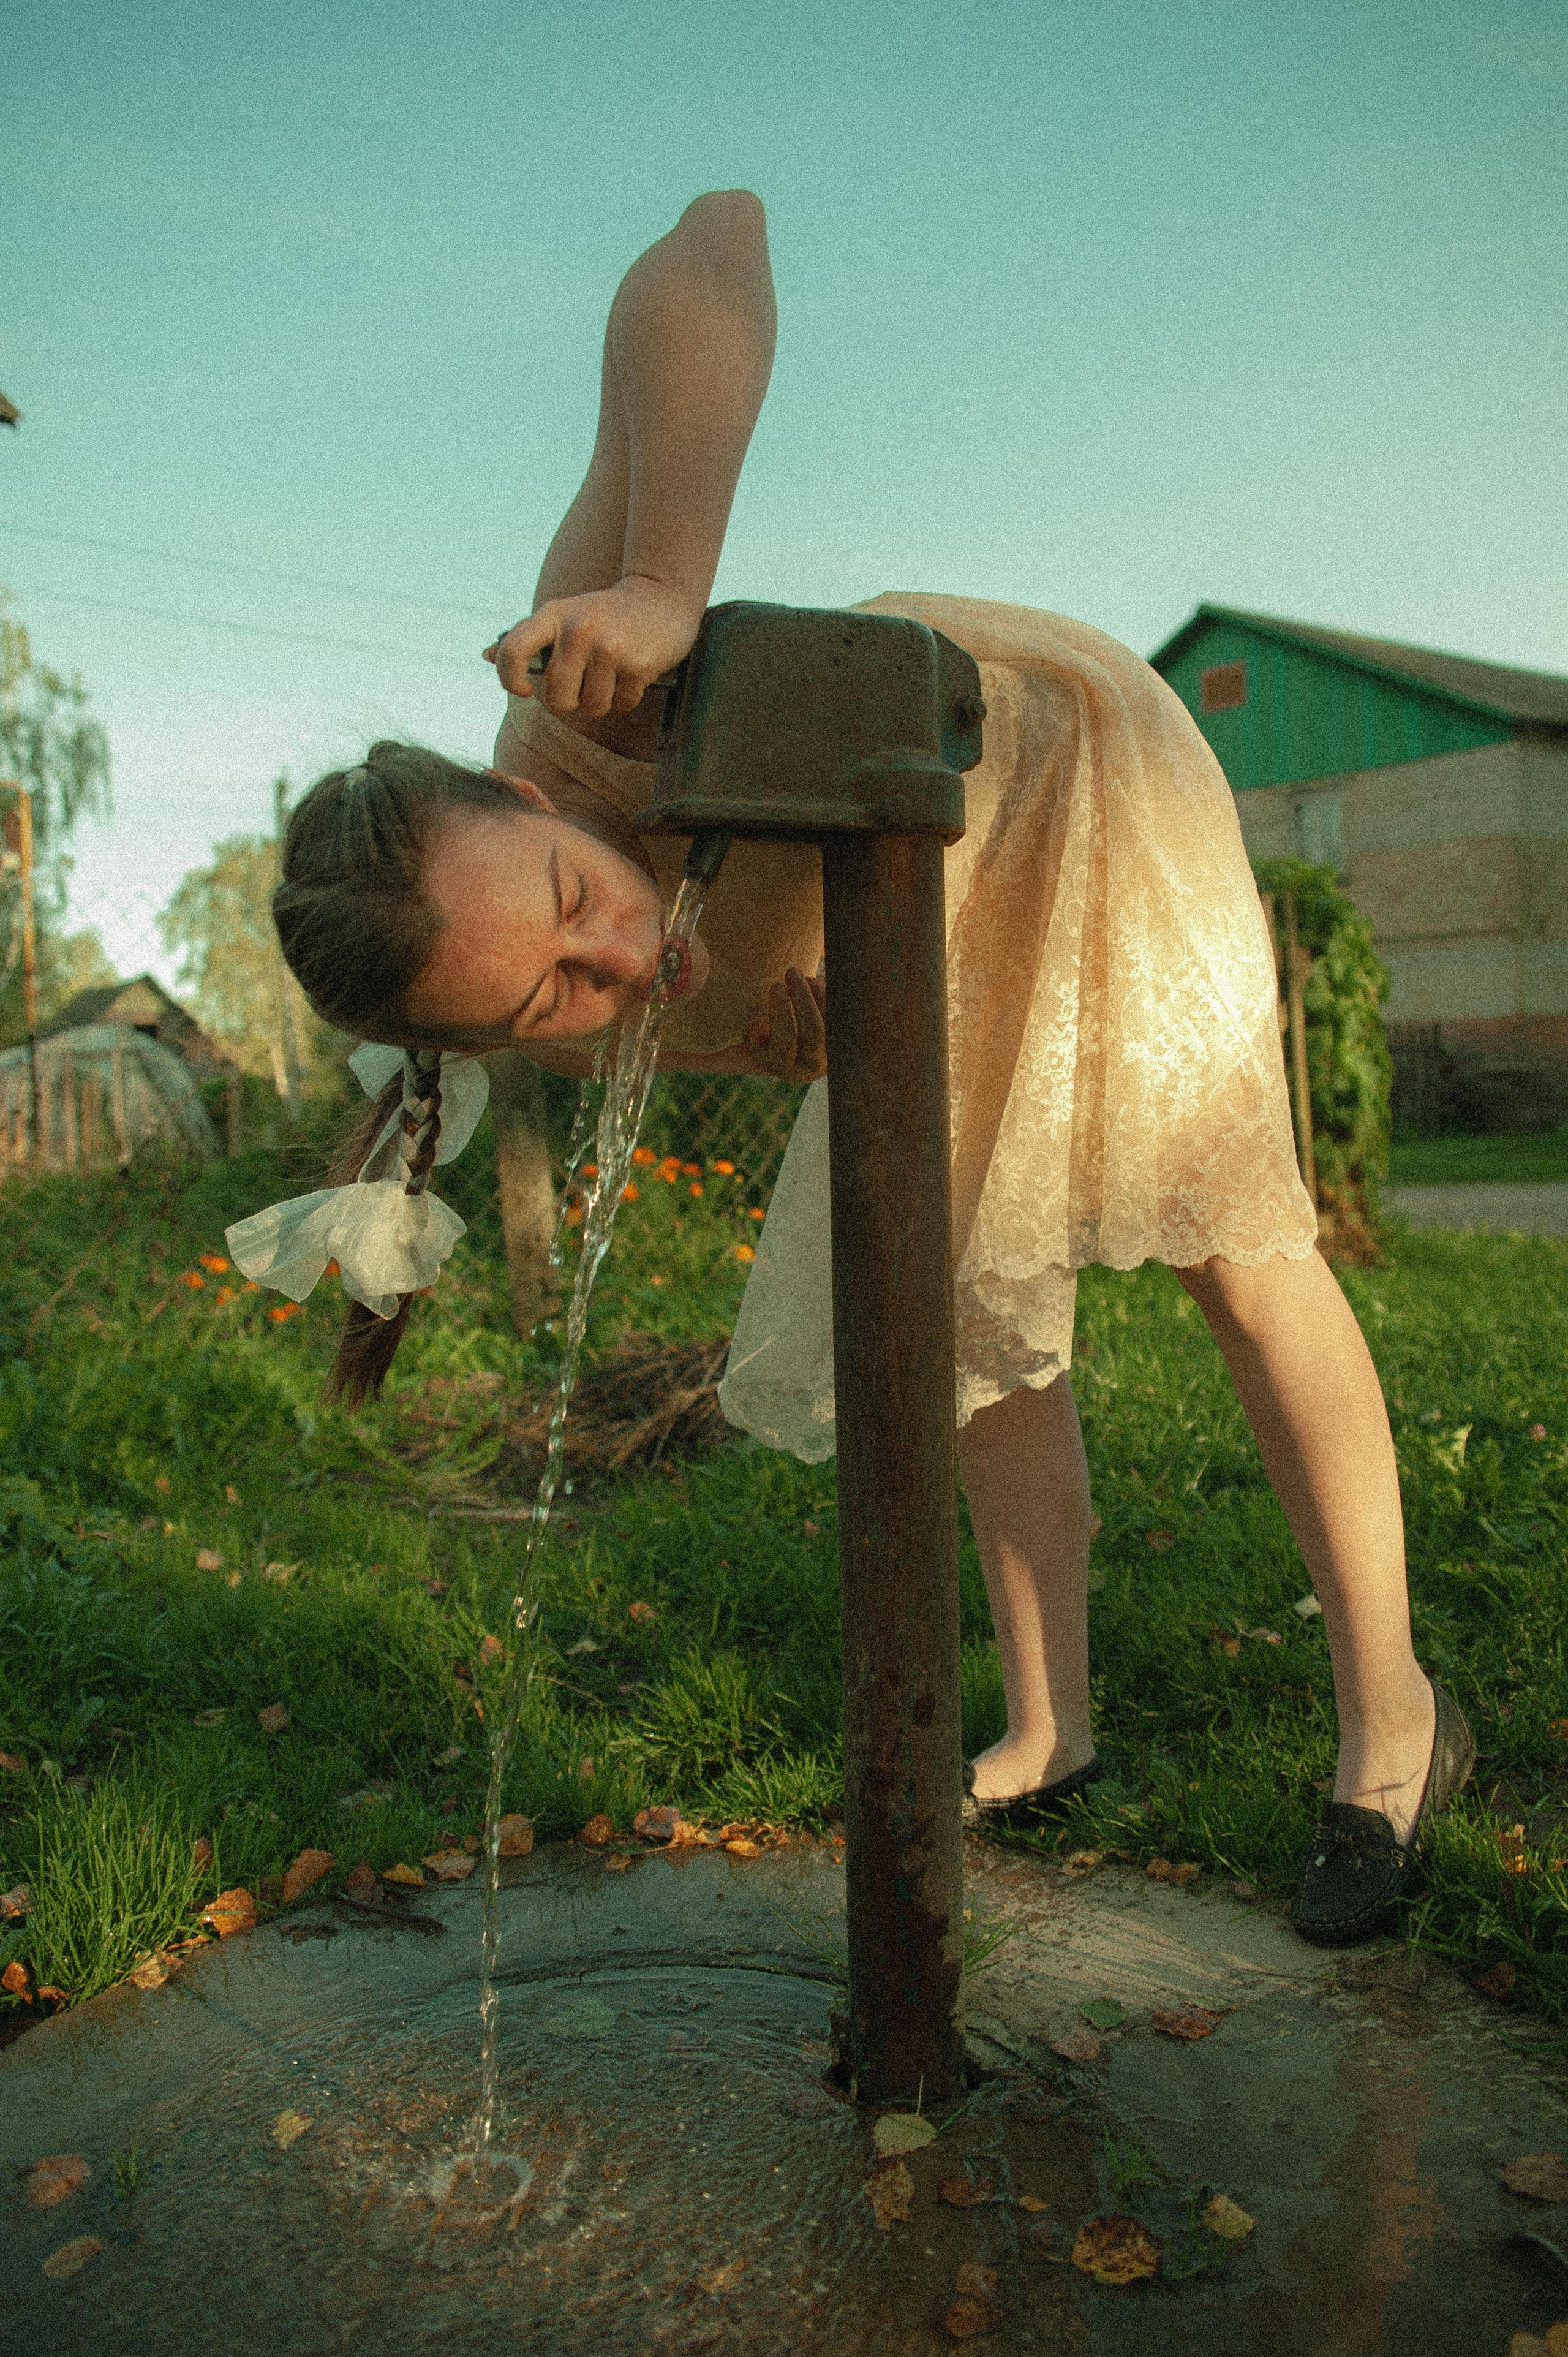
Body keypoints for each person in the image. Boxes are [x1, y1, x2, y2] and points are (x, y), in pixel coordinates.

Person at [255, 190, 1473, 1948]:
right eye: (555, 1007)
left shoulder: (578, 689)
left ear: (526, 802)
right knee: (964, 1292)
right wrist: (813, 1008)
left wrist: (664, 578)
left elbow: (711, 236)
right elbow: (770, 982)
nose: (620, 966)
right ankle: (1053, 1723)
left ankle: (1397, 1724)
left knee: (1237, 1252)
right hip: (929, 905)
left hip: (1063, 765)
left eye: (575, 903)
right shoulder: (593, 969)